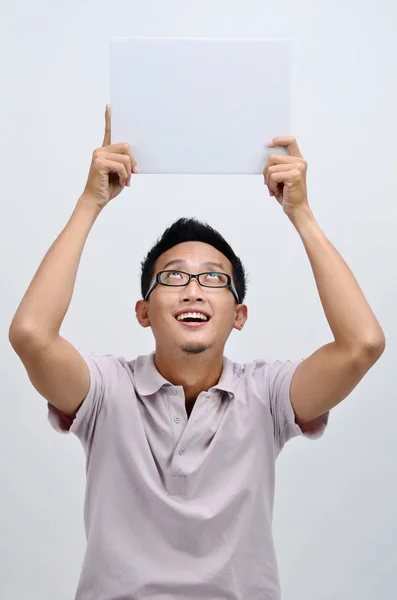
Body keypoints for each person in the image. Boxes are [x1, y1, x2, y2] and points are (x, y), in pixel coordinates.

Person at [9, 105, 385, 600]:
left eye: (213, 278)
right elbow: (31, 335)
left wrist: (301, 213)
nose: (192, 290)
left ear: (239, 314)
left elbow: (363, 344)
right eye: (173, 277)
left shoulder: (268, 397)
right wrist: (90, 202)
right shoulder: (105, 390)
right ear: (144, 312)